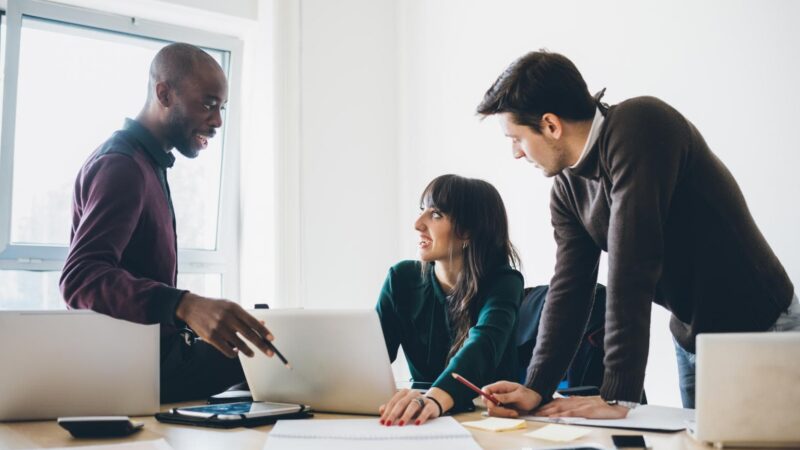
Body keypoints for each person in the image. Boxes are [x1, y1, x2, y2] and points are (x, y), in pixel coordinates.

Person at [475, 50, 799, 418]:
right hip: (694, 338)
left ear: (550, 125)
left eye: (515, 138)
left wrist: (617, 393)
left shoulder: (639, 126)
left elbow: (634, 262)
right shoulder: (567, 188)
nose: (516, 153)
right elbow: (570, 288)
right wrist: (536, 387)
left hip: (758, 328)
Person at [60, 43, 276, 403]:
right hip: (132, 373)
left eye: (221, 108)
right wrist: (186, 305)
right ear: (164, 93)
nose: (218, 120)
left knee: (269, 335)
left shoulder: (148, 163)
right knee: (276, 352)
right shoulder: (123, 166)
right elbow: (80, 278)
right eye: (208, 104)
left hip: (153, 359)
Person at [376, 174, 524, 426]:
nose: (418, 224)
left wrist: (433, 399)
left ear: (468, 231)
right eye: (422, 211)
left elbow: (482, 347)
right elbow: (373, 356)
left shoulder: (504, 282)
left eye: (436, 215)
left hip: (488, 420)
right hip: (422, 420)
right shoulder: (401, 278)